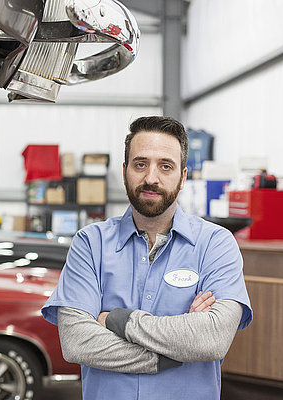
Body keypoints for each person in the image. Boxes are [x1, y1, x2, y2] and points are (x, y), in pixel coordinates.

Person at [42, 116, 252, 399]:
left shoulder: (215, 244)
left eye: (166, 166)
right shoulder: (90, 243)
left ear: (183, 176)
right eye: (141, 164)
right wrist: (167, 354)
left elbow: (212, 338)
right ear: (125, 170)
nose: (151, 178)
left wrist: (119, 320)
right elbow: (77, 342)